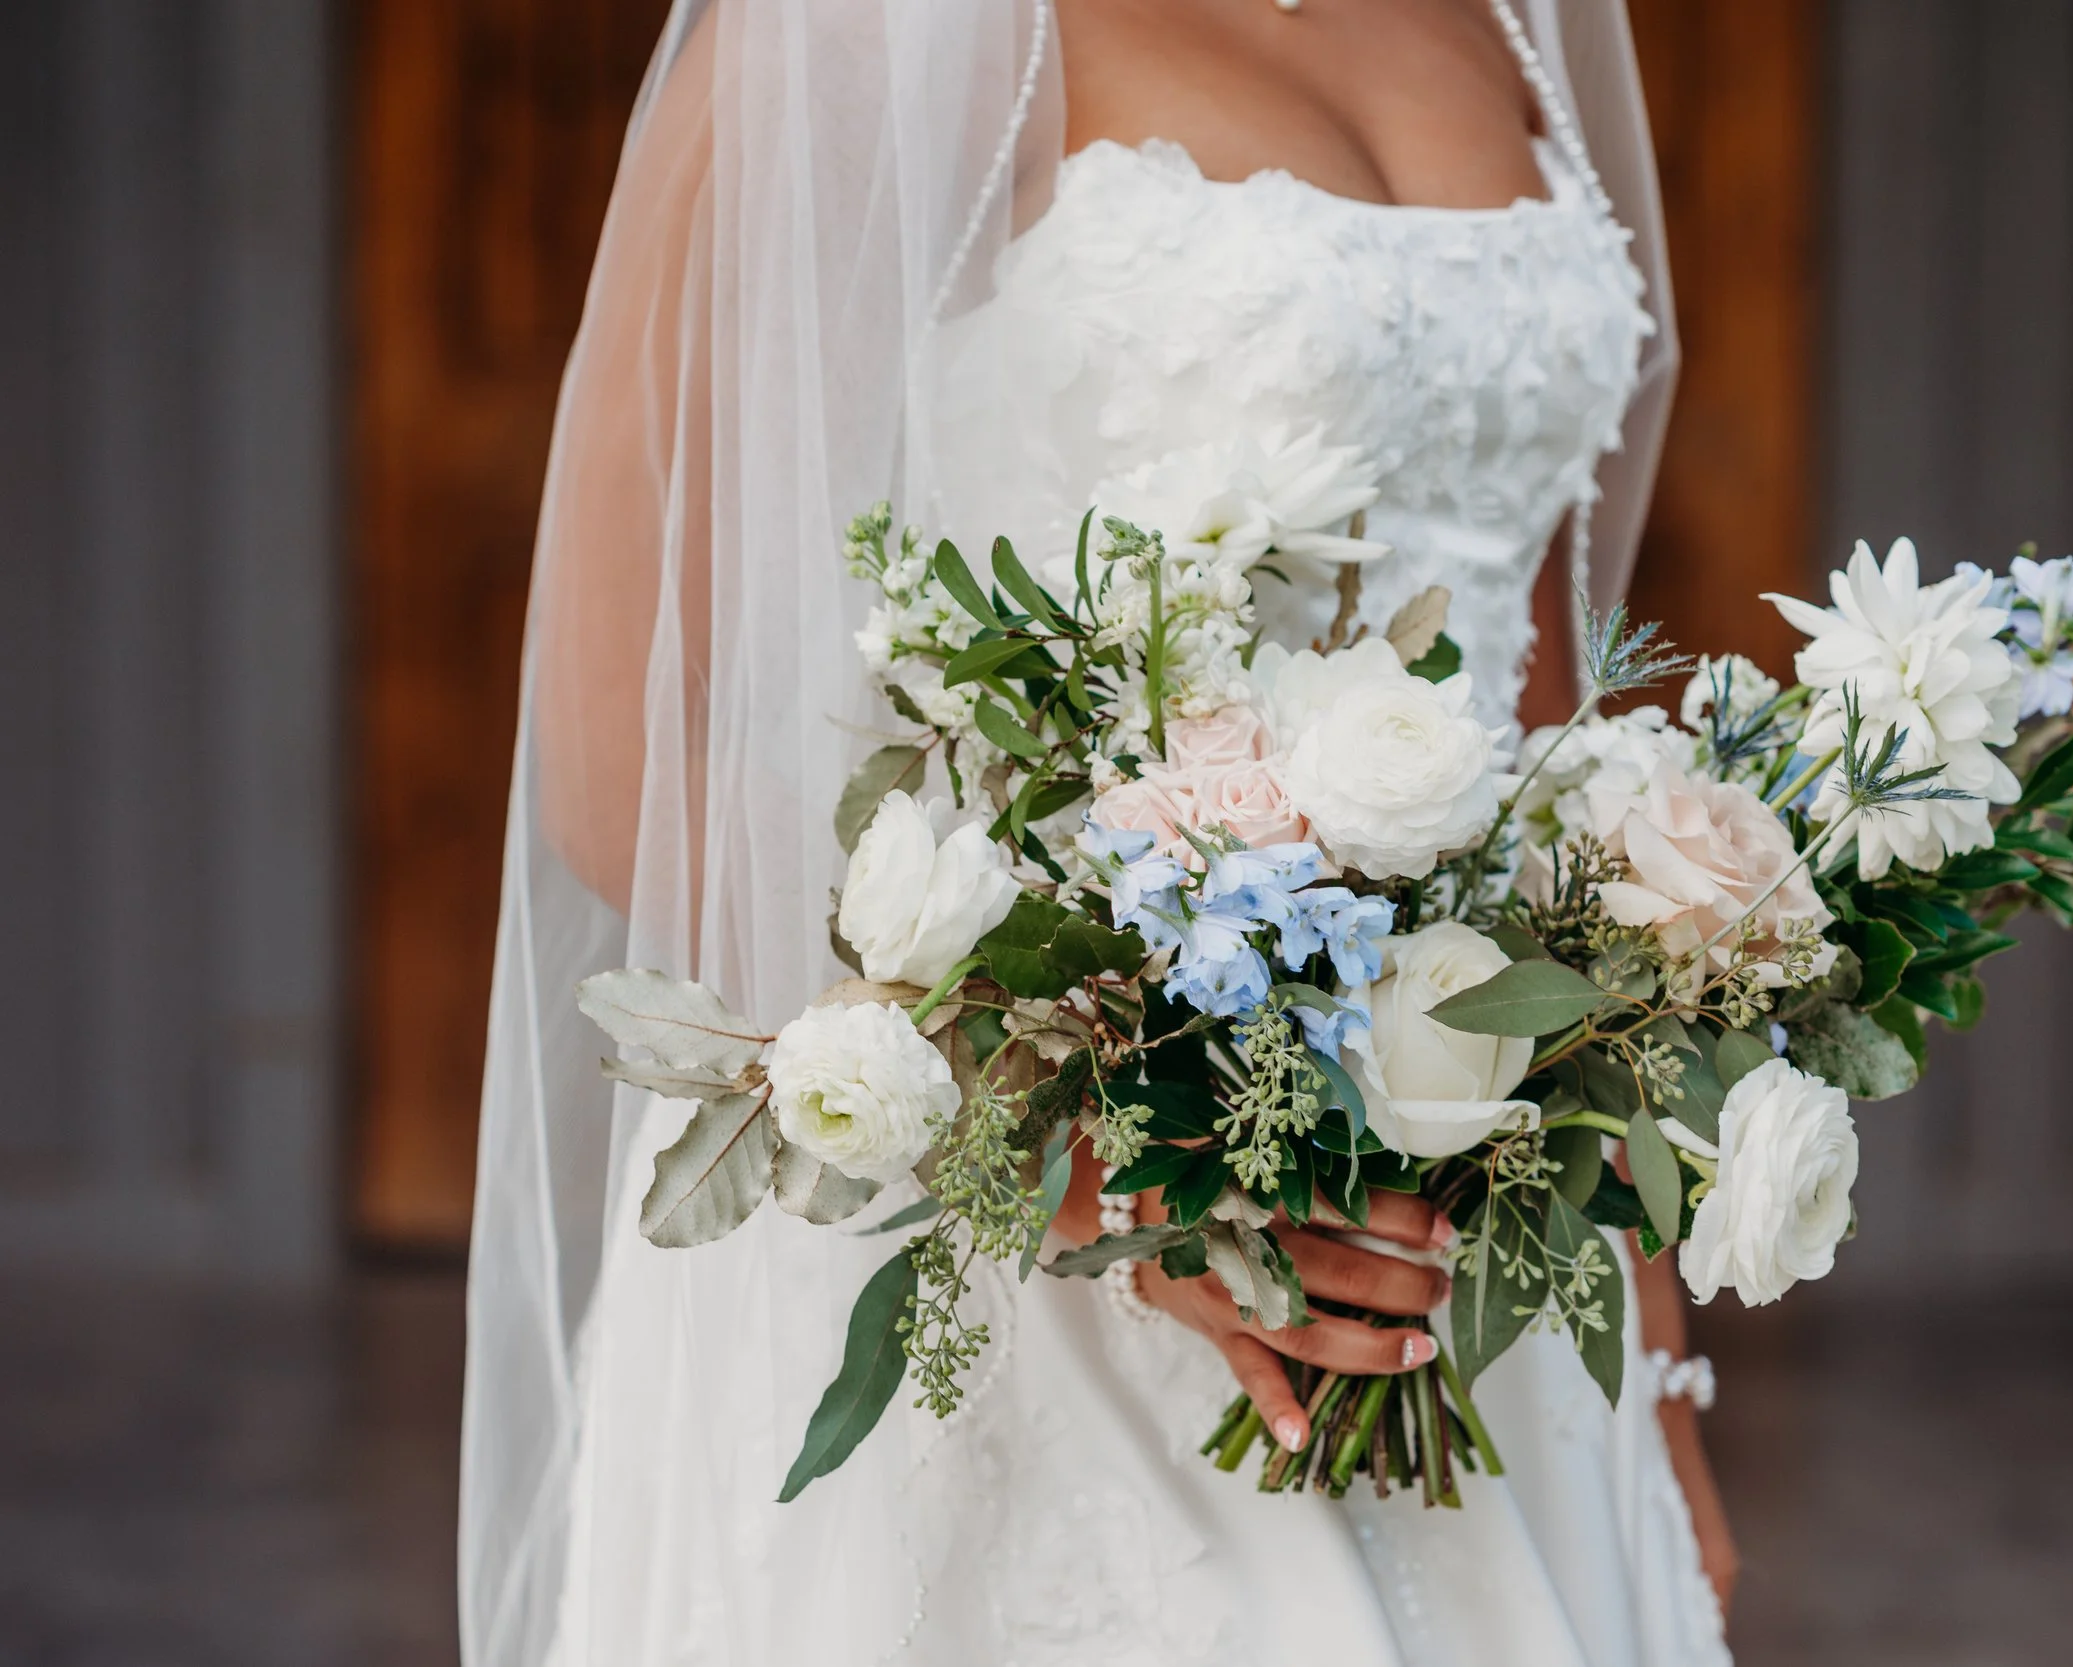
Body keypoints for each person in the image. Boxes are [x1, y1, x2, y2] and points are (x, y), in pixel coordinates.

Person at [464, 3, 1736, 1662]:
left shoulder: (1505, 22)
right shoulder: (878, 37)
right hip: (1016, 1232)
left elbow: (1538, 705)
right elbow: (625, 757)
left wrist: (1650, 1350)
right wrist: (1097, 1164)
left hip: (1461, 1230)